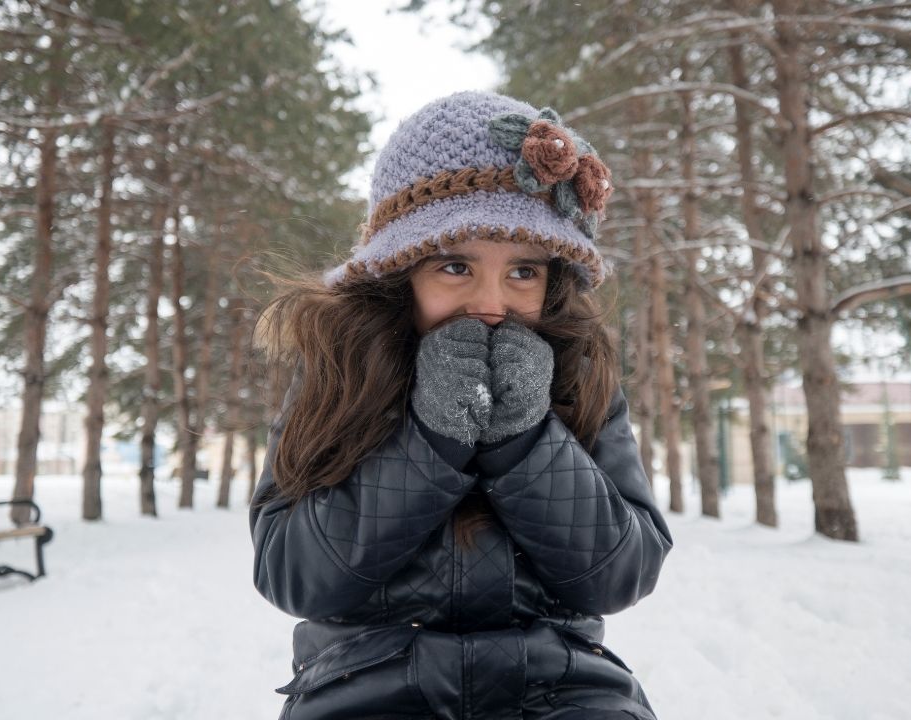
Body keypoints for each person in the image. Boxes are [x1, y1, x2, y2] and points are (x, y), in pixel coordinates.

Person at [249, 90, 673, 720]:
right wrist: (429, 440)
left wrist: (527, 443)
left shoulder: (579, 374)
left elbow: (622, 574)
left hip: (563, 688)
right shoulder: (338, 371)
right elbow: (293, 573)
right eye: (455, 266)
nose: (492, 302)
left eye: (523, 272)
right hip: (366, 683)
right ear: (400, 271)